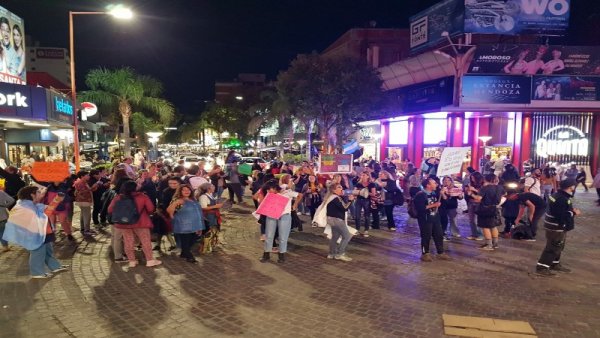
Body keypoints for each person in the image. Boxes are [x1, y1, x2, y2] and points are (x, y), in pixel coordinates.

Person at [2, 186, 69, 278]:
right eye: (38, 192)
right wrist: (56, 201)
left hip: (44, 231)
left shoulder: (32, 204)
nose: (40, 193)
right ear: (32, 195)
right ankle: (37, 272)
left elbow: (46, 210)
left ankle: (55, 267)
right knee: (38, 252)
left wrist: (57, 200)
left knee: (48, 250)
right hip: (35, 233)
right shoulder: (25, 206)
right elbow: (45, 214)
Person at [108, 180, 161, 268]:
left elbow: (110, 209)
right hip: (141, 223)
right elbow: (151, 209)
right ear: (135, 188)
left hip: (124, 224)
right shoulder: (142, 196)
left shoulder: (118, 197)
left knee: (128, 242)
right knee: (145, 241)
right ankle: (150, 260)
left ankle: (132, 261)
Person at [535, 179, 580, 276]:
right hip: (556, 227)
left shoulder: (557, 195)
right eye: (574, 185)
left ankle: (555, 264)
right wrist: (573, 213)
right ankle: (542, 267)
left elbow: (557, 210)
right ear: (570, 187)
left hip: (553, 226)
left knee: (558, 246)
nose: (574, 187)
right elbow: (560, 215)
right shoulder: (562, 199)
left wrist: (570, 210)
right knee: (553, 247)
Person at [258, 180, 303, 263]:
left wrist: (295, 204)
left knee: (283, 236)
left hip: (285, 215)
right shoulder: (270, 194)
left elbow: (300, 195)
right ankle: (266, 254)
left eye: (269, 189)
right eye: (267, 190)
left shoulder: (287, 192)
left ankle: (281, 255)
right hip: (272, 214)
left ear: (274, 188)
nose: (268, 191)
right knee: (269, 235)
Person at [413, 177, 451, 262]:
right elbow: (420, 208)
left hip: (435, 217)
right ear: (428, 185)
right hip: (425, 219)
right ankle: (425, 253)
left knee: (439, 235)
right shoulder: (420, 195)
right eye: (434, 183)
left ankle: (440, 252)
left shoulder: (434, 193)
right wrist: (433, 205)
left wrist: (443, 194)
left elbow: (445, 202)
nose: (436, 184)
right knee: (426, 236)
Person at [167, 184, 205, 263]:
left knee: (193, 239)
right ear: (180, 191)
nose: (186, 191)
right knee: (186, 241)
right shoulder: (179, 201)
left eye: (188, 190)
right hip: (183, 225)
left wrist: (200, 225)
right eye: (184, 190)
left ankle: (184, 253)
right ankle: (189, 256)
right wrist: (175, 204)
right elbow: (170, 211)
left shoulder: (193, 200)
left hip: (195, 224)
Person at [324, 183, 355, 261]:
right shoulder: (336, 198)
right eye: (339, 187)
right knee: (347, 236)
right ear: (334, 190)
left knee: (335, 237)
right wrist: (350, 201)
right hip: (337, 220)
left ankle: (332, 254)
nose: (341, 189)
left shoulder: (331, 197)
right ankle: (340, 254)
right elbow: (344, 208)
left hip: (331, 219)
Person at [472, 174, 503, 251]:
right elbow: (504, 194)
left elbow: (478, 198)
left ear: (486, 179)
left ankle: (489, 245)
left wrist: (471, 194)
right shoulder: (500, 187)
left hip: (485, 209)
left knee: (485, 227)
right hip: (495, 208)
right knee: (493, 226)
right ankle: (495, 244)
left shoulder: (485, 188)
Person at [198, 183, 223, 253]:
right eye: (212, 186)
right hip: (208, 216)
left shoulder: (211, 195)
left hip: (214, 215)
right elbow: (203, 207)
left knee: (214, 230)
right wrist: (216, 206)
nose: (214, 187)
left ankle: (211, 246)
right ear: (208, 188)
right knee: (208, 231)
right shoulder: (203, 197)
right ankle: (205, 249)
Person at [73, 171, 99, 236]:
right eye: (87, 175)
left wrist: (93, 188)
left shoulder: (83, 182)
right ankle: (86, 230)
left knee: (83, 215)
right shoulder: (80, 182)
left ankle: (83, 228)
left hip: (84, 201)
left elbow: (88, 190)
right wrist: (92, 187)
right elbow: (82, 192)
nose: (89, 176)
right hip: (84, 201)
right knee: (87, 216)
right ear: (82, 176)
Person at [352, 172, 376, 237]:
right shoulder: (358, 184)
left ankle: (366, 230)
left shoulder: (371, 184)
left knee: (367, 216)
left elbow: (374, 194)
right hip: (359, 200)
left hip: (367, 200)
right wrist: (360, 192)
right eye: (361, 175)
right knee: (357, 215)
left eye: (364, 175)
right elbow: (354, 191)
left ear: (368, 176)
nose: (362, 176)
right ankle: (357, 229)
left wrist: (366, 193)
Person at [0, 188, 15, 252]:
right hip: (2, 215)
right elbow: (11, 200)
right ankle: (5, 246)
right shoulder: (0, 192)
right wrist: (5, 205)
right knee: (2, 231)